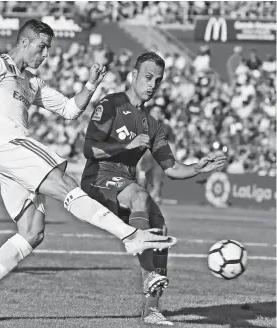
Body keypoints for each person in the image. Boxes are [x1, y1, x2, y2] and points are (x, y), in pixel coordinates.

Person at [0, 20, 177, 322]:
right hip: (11, 144)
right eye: (41, 47)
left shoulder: (32, 82)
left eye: (49, 50)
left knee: (32, 232)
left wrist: (91, 85)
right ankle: (130, 235)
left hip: (5, 158)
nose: (45, 55)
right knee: (65, 183)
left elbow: (69, 109)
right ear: (25, 42)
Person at [81, 51, 227, 325]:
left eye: (157, 81)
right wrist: (126, 146)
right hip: (97, 179)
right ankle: (149, 274)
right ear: (134, 76)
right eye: (148, 77)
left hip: (124, 183)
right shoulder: (111, 104)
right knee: (140, 195)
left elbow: (171, 167)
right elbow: (89, 148)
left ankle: (151, 310)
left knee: (160, 228)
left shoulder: (153, 125)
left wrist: (198, 167)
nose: (152, 85)